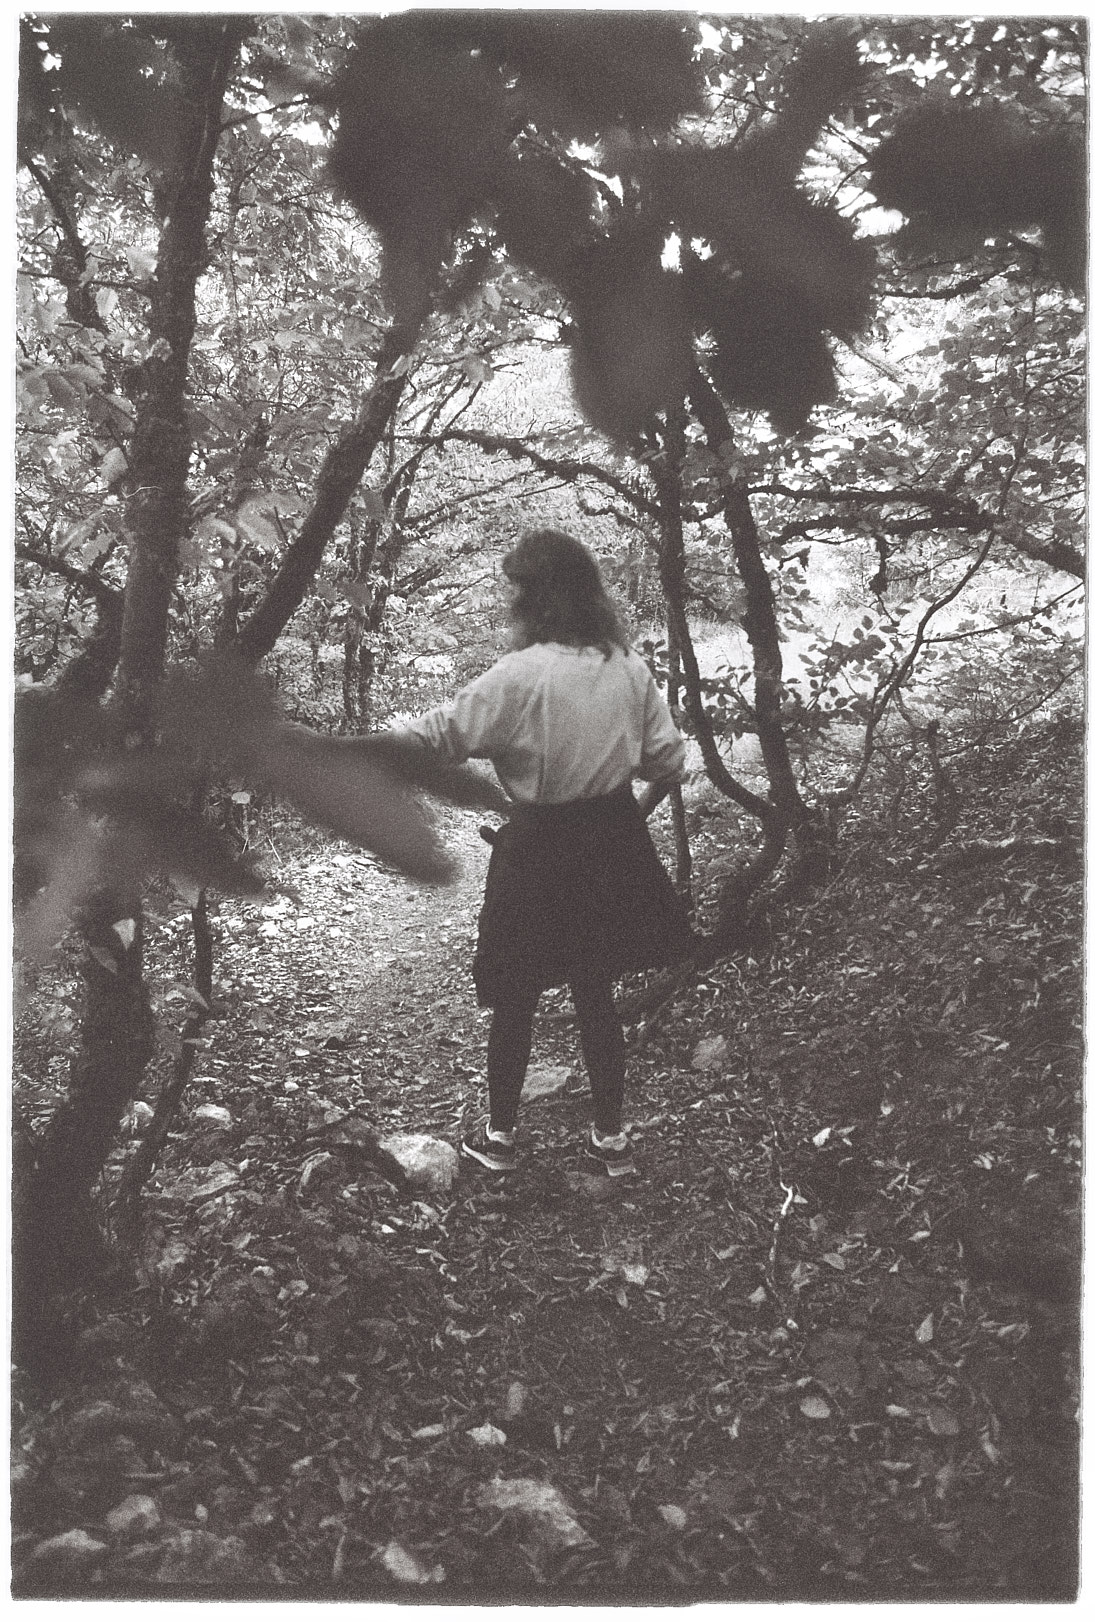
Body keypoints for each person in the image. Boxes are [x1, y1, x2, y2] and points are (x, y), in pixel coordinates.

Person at [393, 527, 695, 1177]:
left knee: (516, 991)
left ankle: (501, 1138)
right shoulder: (628, 668)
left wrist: (344, 751)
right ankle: (609, 1139)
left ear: (534, 599)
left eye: (518, 593)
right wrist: (621, 801)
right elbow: (668, 763)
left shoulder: (520, 675)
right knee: (595, 989)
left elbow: (436, 738)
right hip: (610, 842)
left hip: (537, 848)